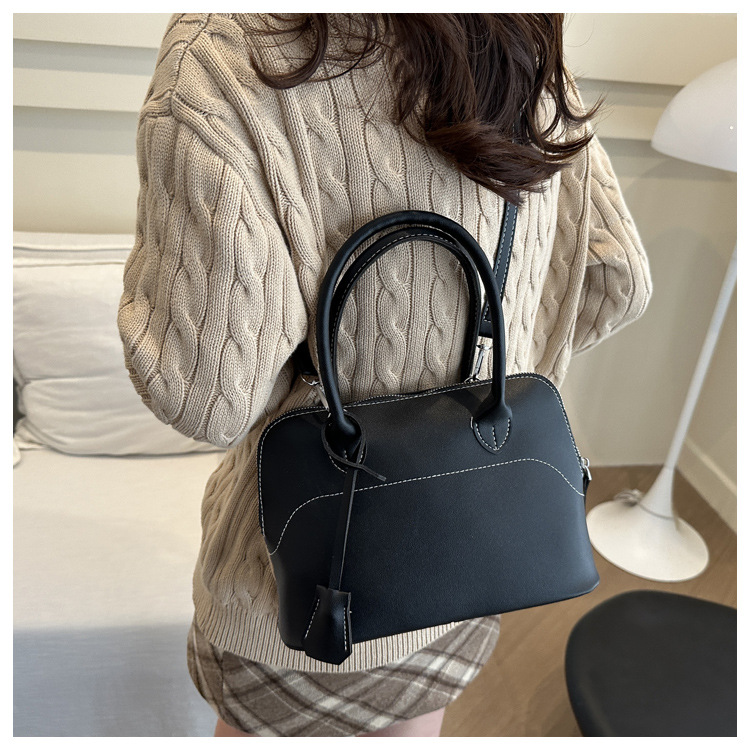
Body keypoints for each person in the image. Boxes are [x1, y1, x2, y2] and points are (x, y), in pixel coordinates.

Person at [117, 13, 652, 737]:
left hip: (302, 599)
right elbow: (617, 280)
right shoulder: (519, 42)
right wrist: (475, 376)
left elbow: (205, 397)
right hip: (474, 553)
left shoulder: (224, 54)